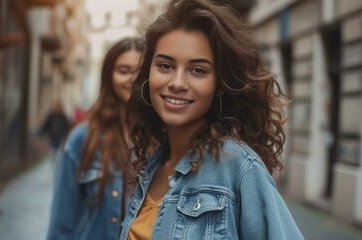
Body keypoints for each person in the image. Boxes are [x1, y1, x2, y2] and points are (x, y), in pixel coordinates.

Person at [119, 0, 304, 239]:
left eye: (198, 70)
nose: (177, 83)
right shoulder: (151, 166)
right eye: (165, 65)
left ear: (219, 85)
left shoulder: (238, 167)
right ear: (148, 74)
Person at [46, 37, 144, 240]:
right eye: (124, 70)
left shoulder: (162, 139)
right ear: (109, 75)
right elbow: (62, 222)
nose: (132, 79)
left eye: (140, 72)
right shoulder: (83, 138)